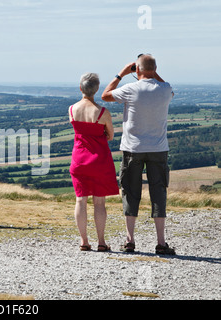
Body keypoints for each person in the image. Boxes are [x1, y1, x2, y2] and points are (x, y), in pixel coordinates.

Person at [101, 54, 176, 255]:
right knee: (158, 192)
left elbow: (105, 95)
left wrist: (122, 73)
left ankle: (130, 241)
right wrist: (151, 72)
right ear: (155, 68)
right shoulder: (165, 89)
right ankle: (161, 242)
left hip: (132, 148)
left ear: (137, 70)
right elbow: (170, 91)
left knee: (130, 191)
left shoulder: (130, 88)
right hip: (158, 149)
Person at [69, 73, 119, 252]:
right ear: (97, 89)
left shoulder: (72, 109)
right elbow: (111, 135)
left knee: (80, 200)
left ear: (80, 88)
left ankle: (84, 241)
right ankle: (101, 241)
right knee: (99, 203)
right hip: (99, 160)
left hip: (79, 159)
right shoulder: (103, 113)